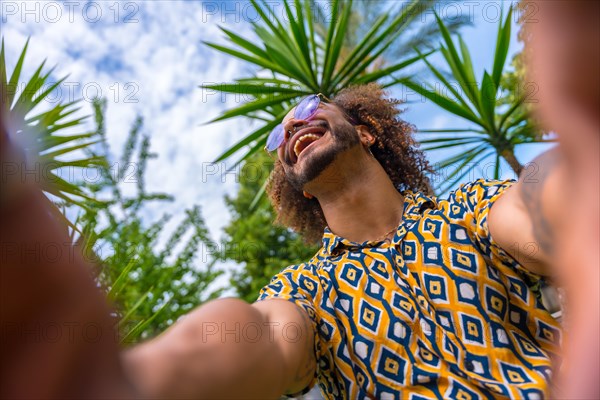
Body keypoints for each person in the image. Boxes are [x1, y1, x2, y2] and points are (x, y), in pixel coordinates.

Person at [123, 84, 562, 399]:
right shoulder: (303, 290)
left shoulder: (467, 210)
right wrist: (142, 381)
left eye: (309, 106)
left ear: (366, 133)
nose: (293, 123)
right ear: (303, 189)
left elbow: (537, 206)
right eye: (279, 137)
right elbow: (266, 337)